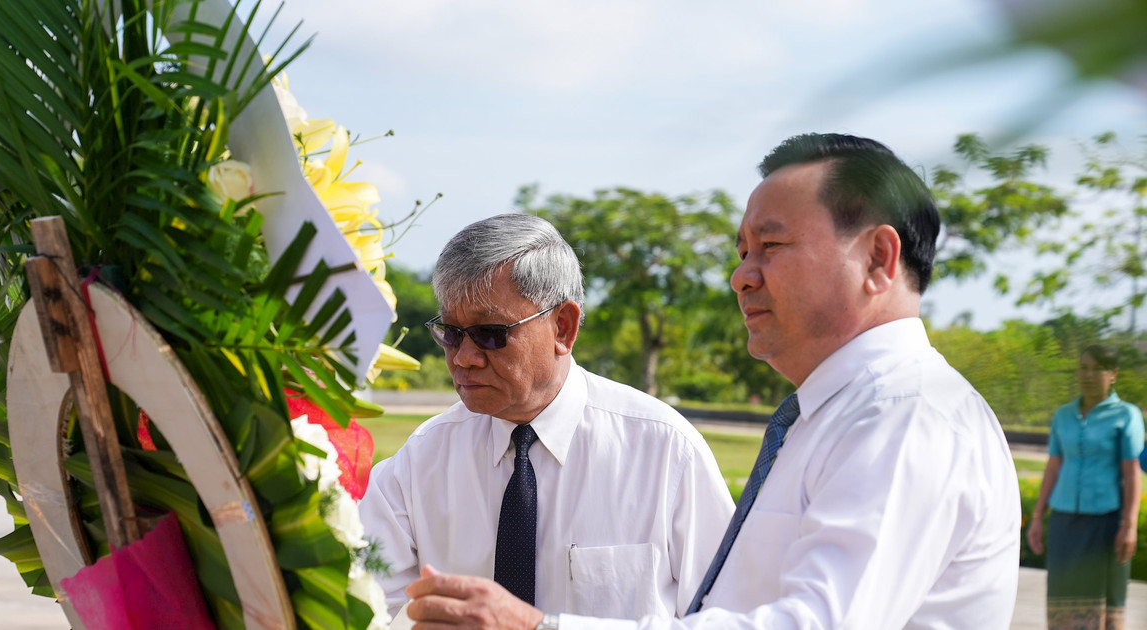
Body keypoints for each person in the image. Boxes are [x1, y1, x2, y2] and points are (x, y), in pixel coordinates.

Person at [402, 133, 1023, 629]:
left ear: (878, 260)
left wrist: (538, 628)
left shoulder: (905, 416)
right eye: (741, 251)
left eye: (770, 246)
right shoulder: (833, 416)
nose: (741, 277)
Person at [358, 214, 734, 621]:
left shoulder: (665, 452)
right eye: (450, 332)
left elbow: (732, 617)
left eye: (490, 333)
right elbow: (370, 610)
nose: (464, 357)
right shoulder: (420, 461)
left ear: (563, 328)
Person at [1027, 344, 1144, 629]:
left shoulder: (1127, 416)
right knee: (1063, 597)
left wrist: (1129, 525)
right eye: (1083, 368)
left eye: (1097, 369)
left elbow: (1132, 473)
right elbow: (1053, 467)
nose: (1088, 375)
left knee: (1103, 600)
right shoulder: (1063, 416)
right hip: (1065, 523)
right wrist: (1038, 517)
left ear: (1113, 374)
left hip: (1106, 524)